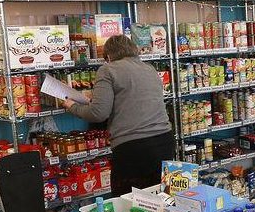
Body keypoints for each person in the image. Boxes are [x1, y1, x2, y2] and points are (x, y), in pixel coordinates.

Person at [62, 34, 174, 196]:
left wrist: (72, 106)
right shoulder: (149, 69)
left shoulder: (108, 69)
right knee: (163, 198)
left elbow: (98, 113)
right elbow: (133, 97)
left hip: (133, 148)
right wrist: (96, 97)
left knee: (129, 203)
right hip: (164, 141)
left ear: (108, 56)